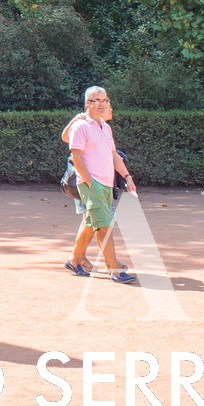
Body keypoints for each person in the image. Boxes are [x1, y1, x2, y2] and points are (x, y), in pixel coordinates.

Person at [63, 86, 137, 282]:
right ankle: (115, 269)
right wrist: (90, 182)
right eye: (97, 100)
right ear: (88, 103)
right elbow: (76, 156)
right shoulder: (80, 126)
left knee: (91, 223)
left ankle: (74, 260)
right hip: (92, 184)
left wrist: (127, 176)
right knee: (104, 226)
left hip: (106, 184)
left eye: (104, 100)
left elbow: (114, 156)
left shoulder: (105, 127)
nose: (102, 104)